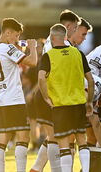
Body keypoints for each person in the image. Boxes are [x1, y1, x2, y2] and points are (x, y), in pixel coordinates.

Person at [38, 24, 94, 172]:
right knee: (82, 141)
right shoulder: (78, 53)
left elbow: (41, 79)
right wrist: (89, 101)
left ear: (51, 37)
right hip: (78, 104)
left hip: (60, 106)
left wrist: (46, 98)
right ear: (65, 37)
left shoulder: (48, 56)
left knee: (63, 145)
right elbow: (91, 80)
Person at [30, 9, 81, 172]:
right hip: (50, 94)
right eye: (74, 28)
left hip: (52, 94)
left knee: (54, 135)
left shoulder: (54, 42)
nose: (74, 31)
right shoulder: (59, 45)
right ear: (67, 26)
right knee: (54, 137)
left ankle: (36, 168)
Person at [0, 18, 37, 172]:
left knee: (2, 138)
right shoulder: (7, 49)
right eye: (16, 35)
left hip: (0, 99)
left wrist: (18, 47)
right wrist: (33, 47)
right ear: (7, 33)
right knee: (23, 137)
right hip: (14, 99)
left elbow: (13, 62)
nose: (17, 39)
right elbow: (33, 62)